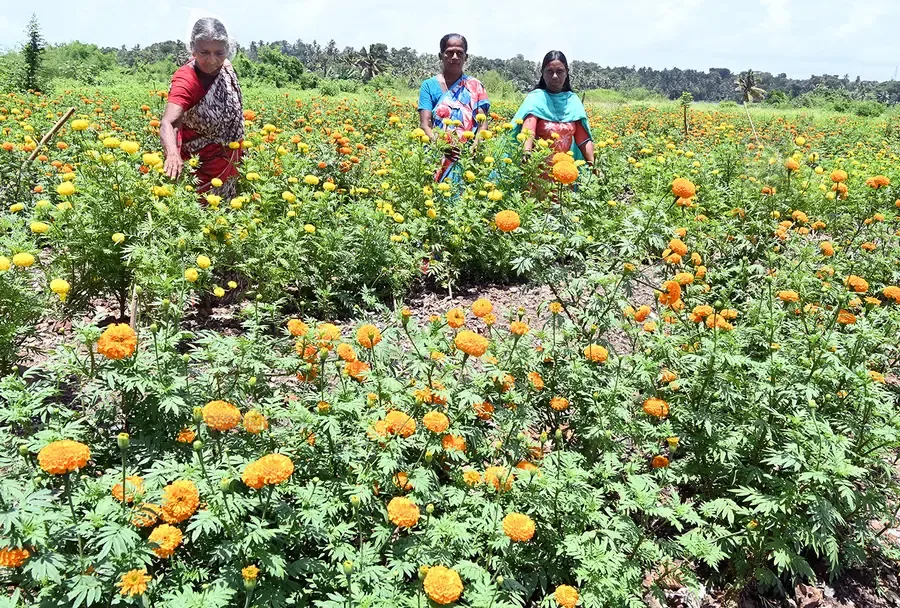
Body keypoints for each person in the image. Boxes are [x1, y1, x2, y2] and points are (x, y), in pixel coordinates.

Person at [160, 17, 244, 199]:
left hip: (228, 158)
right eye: (204, 52)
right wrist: (172, 154)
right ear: (193, 48)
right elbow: (169, 121)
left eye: (219, 53)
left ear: (227, 49)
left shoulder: (226, 68)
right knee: (201, 215)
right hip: (202, 166)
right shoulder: (186, 80)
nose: (212, 60)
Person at [418, 34, 490, 182]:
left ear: (466, 57)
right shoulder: (429, 86)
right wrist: (442, 146)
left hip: (467, 156)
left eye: (460, 53)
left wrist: (474, 147)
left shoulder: (475, 86)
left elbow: (483, 123)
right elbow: (425, 124)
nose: (455, 57)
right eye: (449, 52)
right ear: (441, 55)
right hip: (437, 153)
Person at [512, 51, 594, 169]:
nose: (554, 76)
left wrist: (595, 167)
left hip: (564, 172)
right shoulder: (536, 98)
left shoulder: (573, 101)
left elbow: (583, 140)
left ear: (566, 73)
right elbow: (528, 130)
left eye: (559, 71)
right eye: (549, 71)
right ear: (542, 73)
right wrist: (526, 154)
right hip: (537, 172)